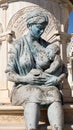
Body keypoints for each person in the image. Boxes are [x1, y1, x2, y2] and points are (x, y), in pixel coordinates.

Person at [5, 9, 67, 130]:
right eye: (39, 27)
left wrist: (57, 79)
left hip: (47, 85)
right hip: (22, 87)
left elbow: (64, 70)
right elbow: (9, 74)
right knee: (34, 93)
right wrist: (25, 78)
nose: (42, 30)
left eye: (44, 27)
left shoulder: (47, 46)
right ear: (29, 25)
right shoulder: (18, 45)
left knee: (55, 93)